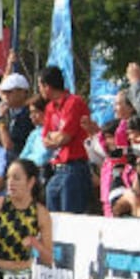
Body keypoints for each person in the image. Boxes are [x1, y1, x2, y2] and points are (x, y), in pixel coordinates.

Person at [39, 65, 92, 213]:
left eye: (40, 86)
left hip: (75, 167)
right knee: (54, 218)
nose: (40, 90)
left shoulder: (74, 103)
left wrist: (54, 136)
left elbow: (65, 137)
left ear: (47, 86)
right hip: (57, 168)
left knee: (71, 218)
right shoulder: (50, 107)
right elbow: (45, 140)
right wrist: (56, 136)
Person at [0, 72, 33, 156]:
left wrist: (2, 120)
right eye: (3, 92)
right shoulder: (8, 112)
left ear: (22, 92)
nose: (5, 95)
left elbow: (8, 146)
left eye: (9, 92)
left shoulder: (30, 115)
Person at [19, 96, 53, 168]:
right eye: (31, 112)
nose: (32, 116)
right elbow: (23, 155)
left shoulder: (54, 131)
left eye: (36, 112)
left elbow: (43, 157)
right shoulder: (34, 133)